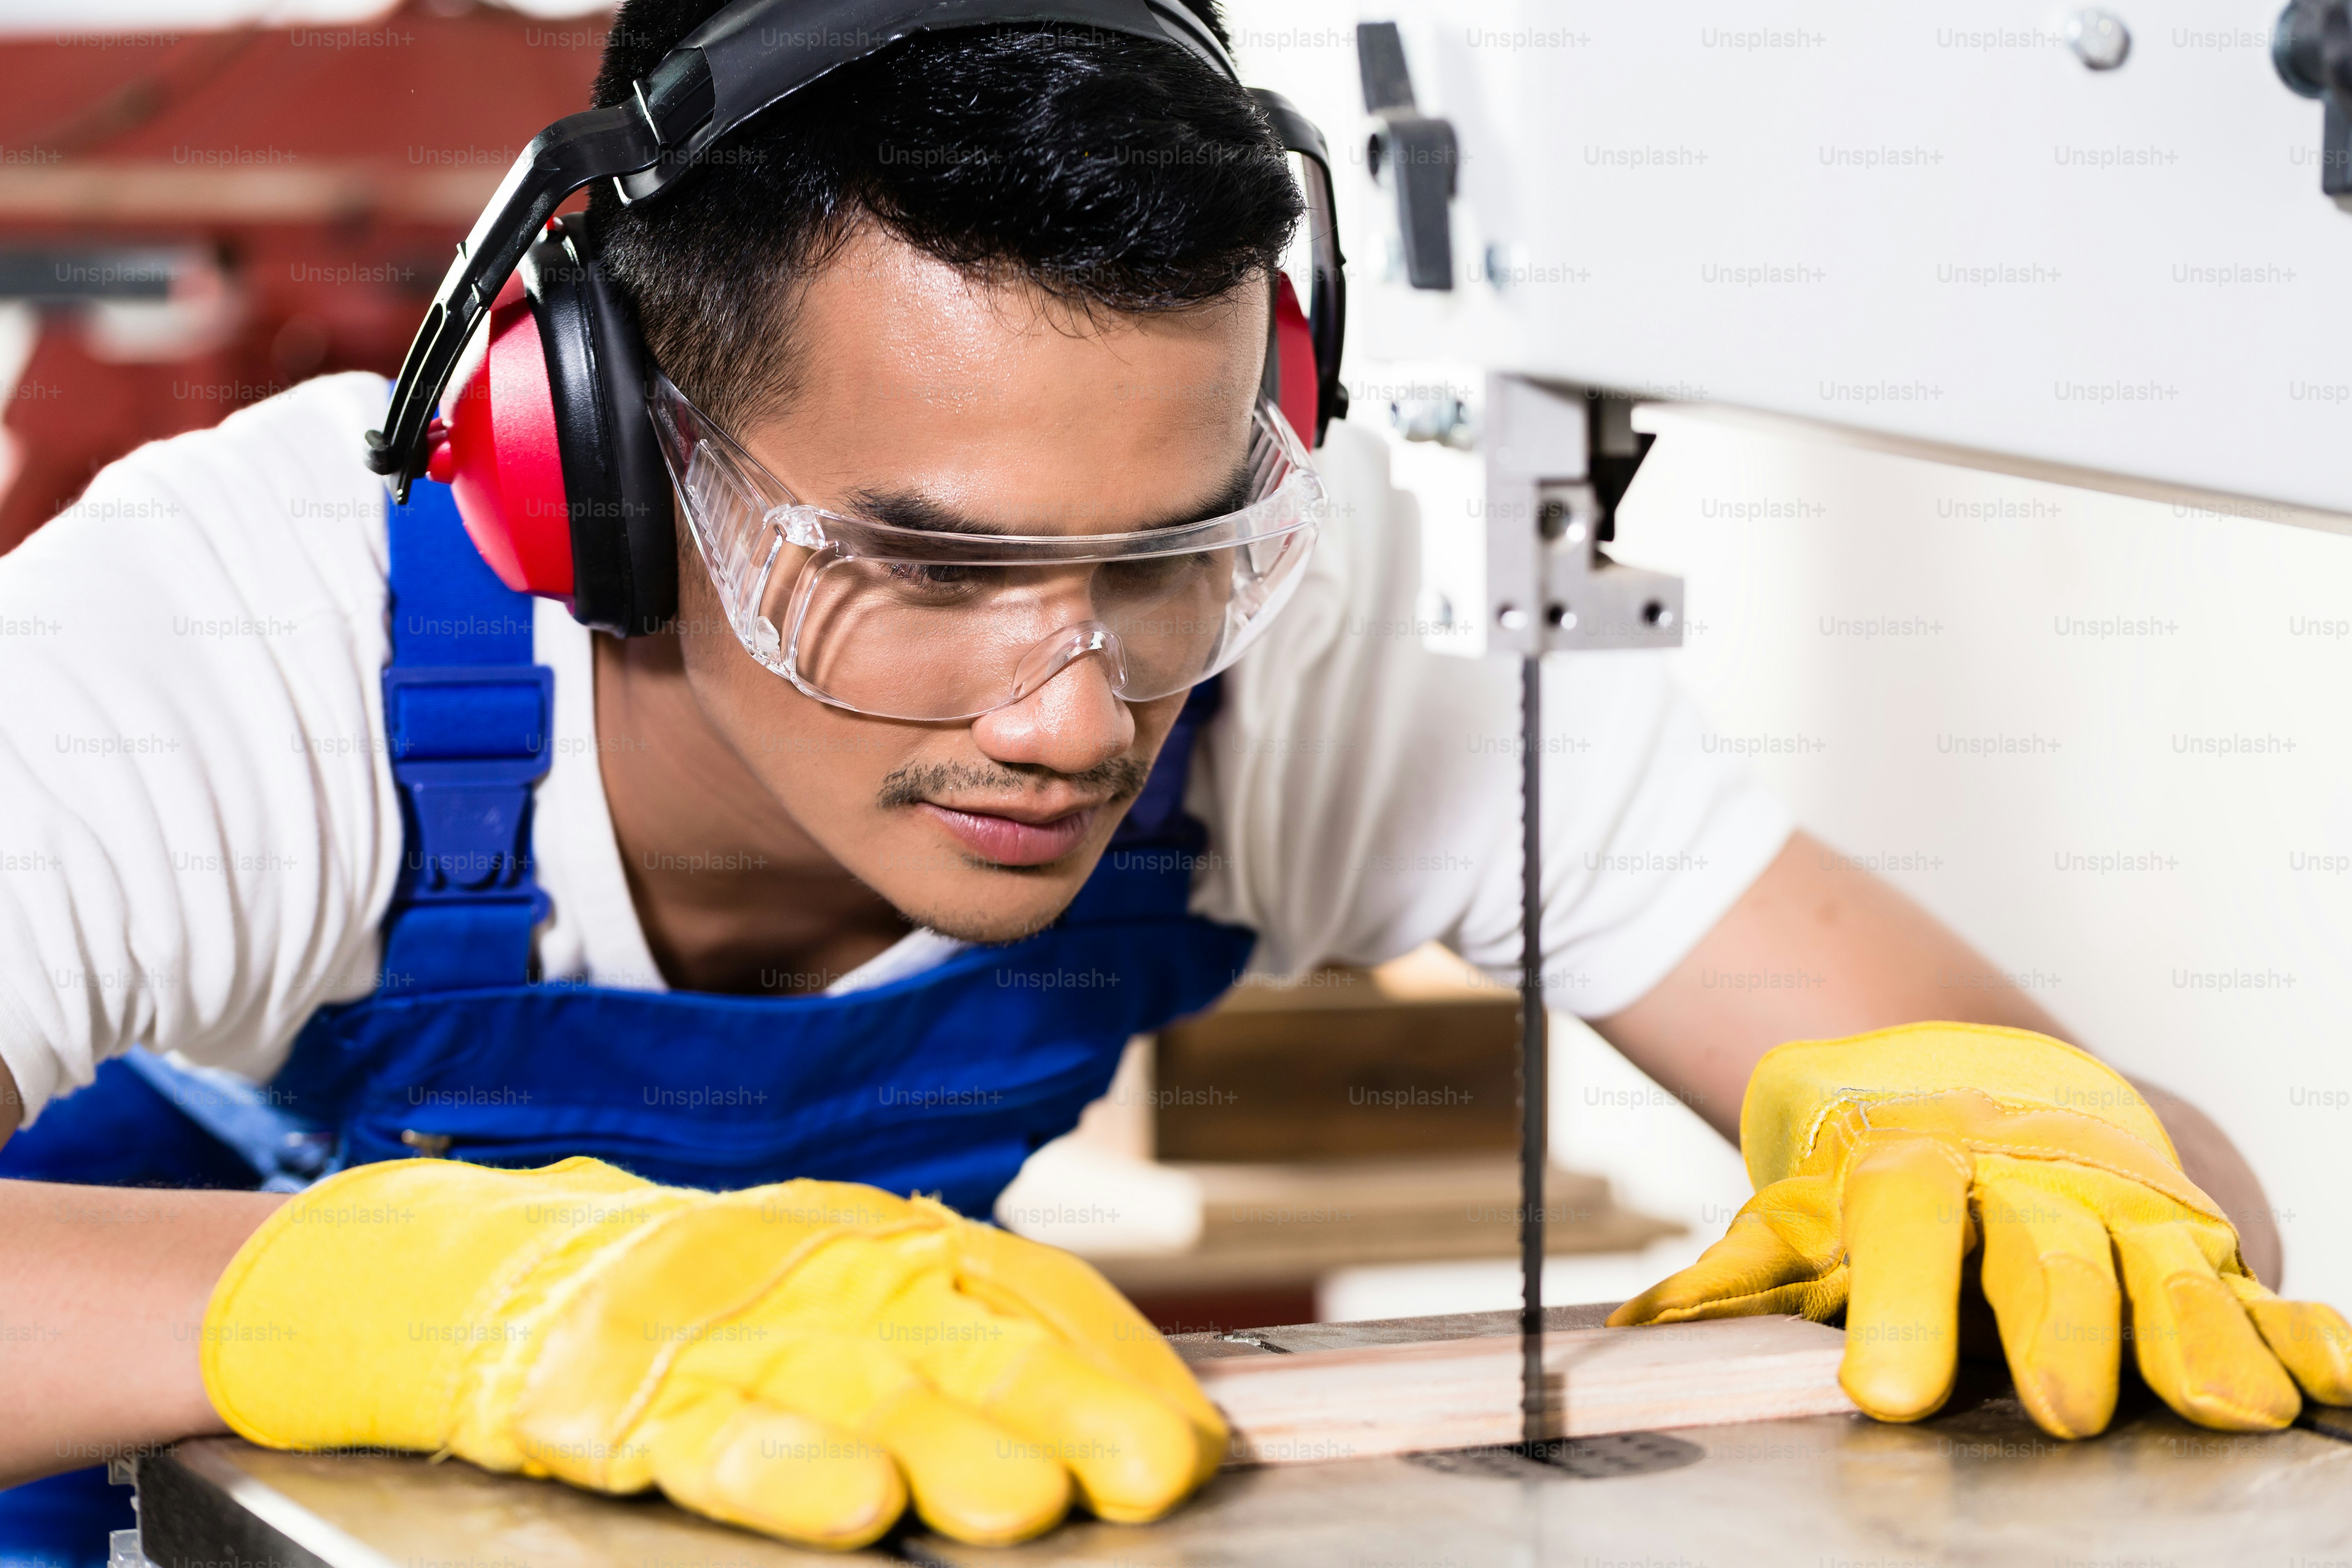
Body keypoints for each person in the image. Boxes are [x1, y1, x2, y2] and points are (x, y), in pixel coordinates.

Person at [0, 0, 2341, 1555]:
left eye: (1166, 556)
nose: (1071, 713)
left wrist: (2024, 1141)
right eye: (918, 568)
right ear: (591, 461)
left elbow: (2172, 1180)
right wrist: (455, 1300)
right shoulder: (233, 631)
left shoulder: (1317, 614)